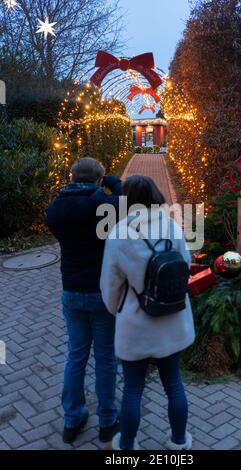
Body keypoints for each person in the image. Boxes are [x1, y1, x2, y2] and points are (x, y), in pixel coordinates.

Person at [100, 175, 195, 451]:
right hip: (174, 318)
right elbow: (185, 265)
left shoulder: (118, 234)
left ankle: (127, 446)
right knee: (174, 384)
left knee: (132, 389)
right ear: (155, 195)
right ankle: (179, 442)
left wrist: (116, 310)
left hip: (137, 324)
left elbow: (110, 287)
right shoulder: (171, 226)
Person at [47, 157, 121, 445]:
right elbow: (127, 197)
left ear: (72, 177)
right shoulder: (104, 207)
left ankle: (72, 418)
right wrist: (111, 182)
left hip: (71, 293)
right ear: (98, 180)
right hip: (101, 293)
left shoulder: (56, 208)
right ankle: (107, 420)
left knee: (75, 356)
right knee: (105, 358)